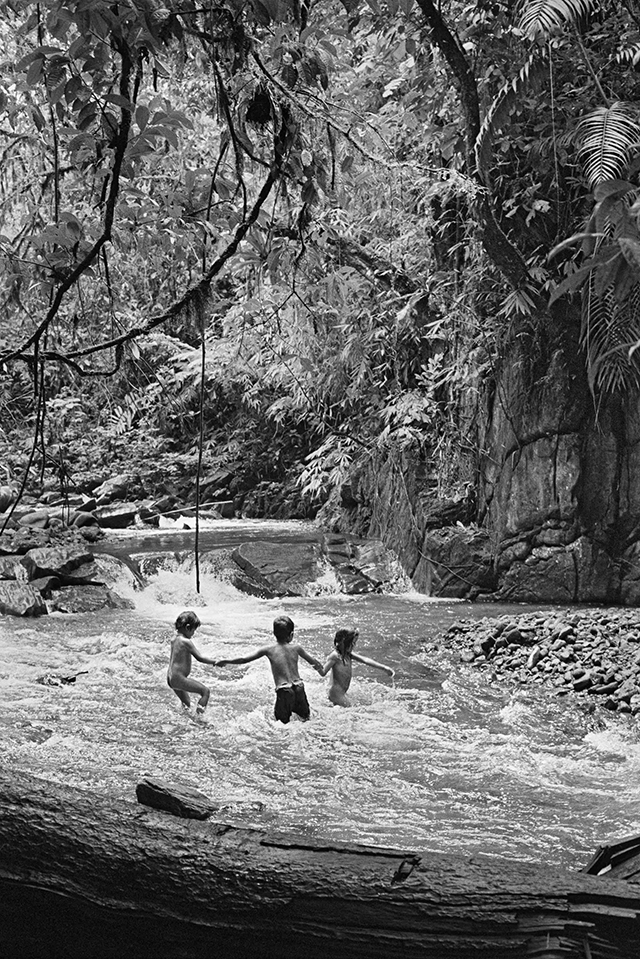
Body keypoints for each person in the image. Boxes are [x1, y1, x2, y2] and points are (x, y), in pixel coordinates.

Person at [216, 615, 323, 724]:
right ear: (291, 635)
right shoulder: (297, 648)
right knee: (306, 721)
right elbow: (314, 662)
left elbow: (244, 659)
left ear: (274, 634)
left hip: (284, 690)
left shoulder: (269, 650)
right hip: (299, 687)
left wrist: (226, 661)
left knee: (281, 725)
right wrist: (322, 671)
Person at [320, 626, 394, 707]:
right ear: (343, 642)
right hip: (336, 694)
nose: (354, 646)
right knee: (350, 709)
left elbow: (365, 660)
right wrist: (315, 664)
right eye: (352, 643)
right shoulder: (335, 656)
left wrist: (384, 668)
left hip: (342, 693)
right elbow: (323, 672)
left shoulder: (348, 655)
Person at [167, 610, 217, 716]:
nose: (193, 634)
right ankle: (199, 718)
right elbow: (200, 658)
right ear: (187, 627)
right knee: (205, 692)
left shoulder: (174, 639)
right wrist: (215, 662)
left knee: (186, 703)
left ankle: (183, 719)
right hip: (179, 679)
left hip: (170, 678)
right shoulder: (186, 642)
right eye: (193, 630)